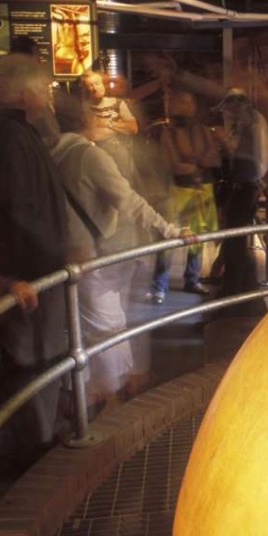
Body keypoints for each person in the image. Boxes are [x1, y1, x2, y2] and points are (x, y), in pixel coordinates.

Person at [0, 54, 68, 466]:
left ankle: (33, 439)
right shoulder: (9, 139)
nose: (48, 98)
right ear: (24, 93)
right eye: (44, 89)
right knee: (32, 359)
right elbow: (19, 210)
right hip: (27, 276)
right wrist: (38, 267)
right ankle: (32, 451)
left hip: (23, 269)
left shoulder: (11, 132)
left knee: (33, 359)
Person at [49, 90, 184, 405]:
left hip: (64, 256)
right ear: (85, 119)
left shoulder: (49, 151)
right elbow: (129, 200)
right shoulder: (90, 156)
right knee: (109, 328)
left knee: (81, 329)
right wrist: (169, 230)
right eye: (99, 115)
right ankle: (111, 400)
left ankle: (87, 396)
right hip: (94, 255)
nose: (106, 120)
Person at [147, 90, 219, 304]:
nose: (185, 108)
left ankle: (192, 278)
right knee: (169, 238)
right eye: (180, 103)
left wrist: (192, 161)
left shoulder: (203, 131)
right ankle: (159, 285)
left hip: (201, 191)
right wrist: (198, 161)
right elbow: (175, 165)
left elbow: (214, 159)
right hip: (175, 192)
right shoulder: (165, 132)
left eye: (188, 103)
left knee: (197, 238)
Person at [214, 88, 268, 307]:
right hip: (239, 186)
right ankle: (229, 284)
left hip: (244, 187)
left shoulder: (252, 123)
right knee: (233, 237)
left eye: (229, 108)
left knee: (236, 239)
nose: (227, 114)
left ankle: (232, 292)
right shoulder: (246, 123)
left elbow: (253, 160)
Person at [79, 70, 139, 183]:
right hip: (96, 153)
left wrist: (107, 123)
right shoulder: (85, 107)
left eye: (97, 83)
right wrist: (118, 127)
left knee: (124, 183)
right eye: (90, 86)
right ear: (86, 89)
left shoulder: (117, 103)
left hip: (118, 151)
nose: (95, 88)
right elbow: (92, 134)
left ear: (103, 84)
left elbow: (133, 128)